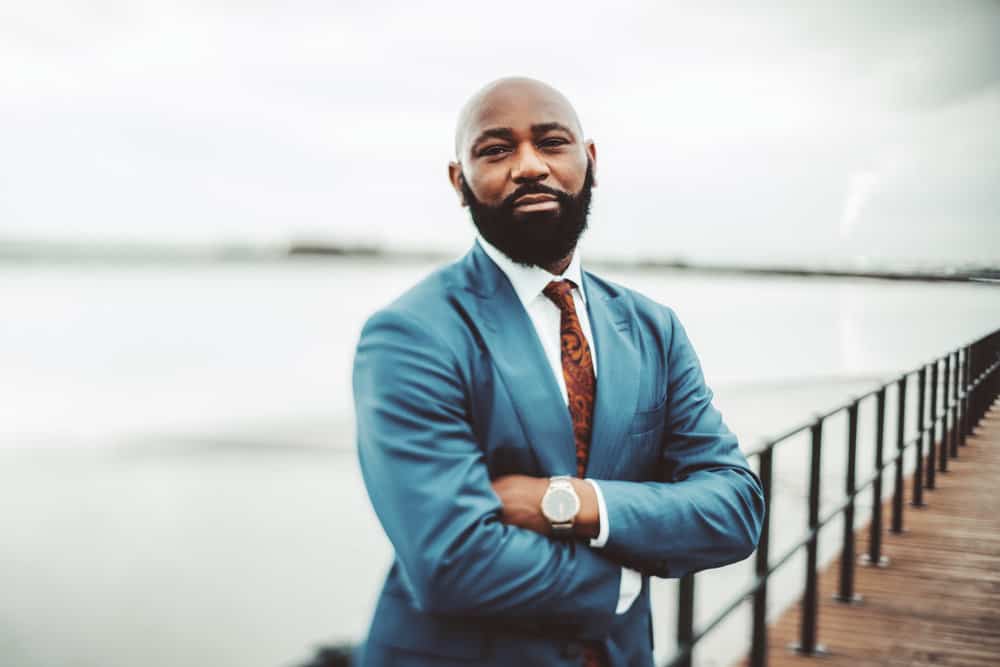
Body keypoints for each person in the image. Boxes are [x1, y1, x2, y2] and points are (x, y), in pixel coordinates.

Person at [352, 77, 764, 667]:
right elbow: (453, 563)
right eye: (495, 150)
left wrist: (567, 501)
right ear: (458, 180)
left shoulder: (654, 328)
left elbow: (734, 508)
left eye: (551, 142)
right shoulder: (412, 334)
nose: (528, 166)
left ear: (589, 160)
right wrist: (625, 581)